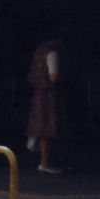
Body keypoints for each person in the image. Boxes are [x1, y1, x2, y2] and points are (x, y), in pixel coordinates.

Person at [26, 32, 66, 173]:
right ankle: (45, 163)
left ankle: (44, 162)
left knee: (42, 127)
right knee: (48, 128)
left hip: (38, 93)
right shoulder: (52, 53)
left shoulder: (39, 50)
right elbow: (53, 77)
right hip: (48, 95)